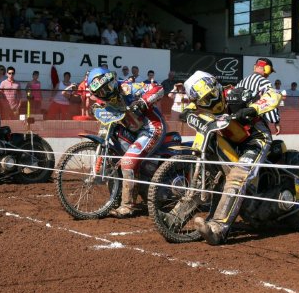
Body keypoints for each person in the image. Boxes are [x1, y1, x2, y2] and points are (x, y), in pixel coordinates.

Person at [182, 70, 281, 245]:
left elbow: (273, 94)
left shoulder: (237, 94)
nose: (211, 102)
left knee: (237, 177)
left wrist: (254, 108)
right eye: (204, 100)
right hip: (231, 142)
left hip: (255, 140)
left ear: (217, 87)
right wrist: (187, 113)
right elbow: (189, 108)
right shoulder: (199, 106)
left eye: (212, 95)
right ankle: (177, 216)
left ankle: (217, 229)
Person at [86, 67, 166, 218]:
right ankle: (115, 200)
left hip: (151, 128)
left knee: (128, 161)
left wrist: (143, 101)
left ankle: (128, 206)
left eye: (107, 87)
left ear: (112, 81)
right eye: (100, 92)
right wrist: (94, 108)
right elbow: (101, 106)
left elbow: (159, 88)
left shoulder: (129, 88)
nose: (105, 93)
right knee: (114, 158)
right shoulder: (103, 98)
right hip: (131, 129)